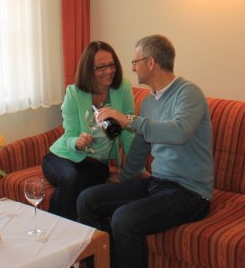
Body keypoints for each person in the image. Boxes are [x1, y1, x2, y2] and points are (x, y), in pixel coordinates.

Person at [77, 34, 213, 268]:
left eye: (135, 62)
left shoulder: (188, 93)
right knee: (87, 200)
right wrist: (125, 177)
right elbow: (142, 145)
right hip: (158, 182)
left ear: (151, 63)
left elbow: (179, 132)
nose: (133, 68)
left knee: (124, 219)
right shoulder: (150, 101)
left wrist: (129, 120)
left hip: (190, 192)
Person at [41, 41, 135, 221]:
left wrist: (132, 168)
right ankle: (62, 232)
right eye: (101, 67)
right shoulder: (74, 93)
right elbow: (69, 136)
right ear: (88, 69)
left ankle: (53, 226)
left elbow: (129, 127)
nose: (109, 71)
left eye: (112, 64)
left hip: (96, 165)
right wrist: (77, 141)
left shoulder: (122, 88)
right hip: (62, 157)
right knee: (70, 179)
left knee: (80, 187)